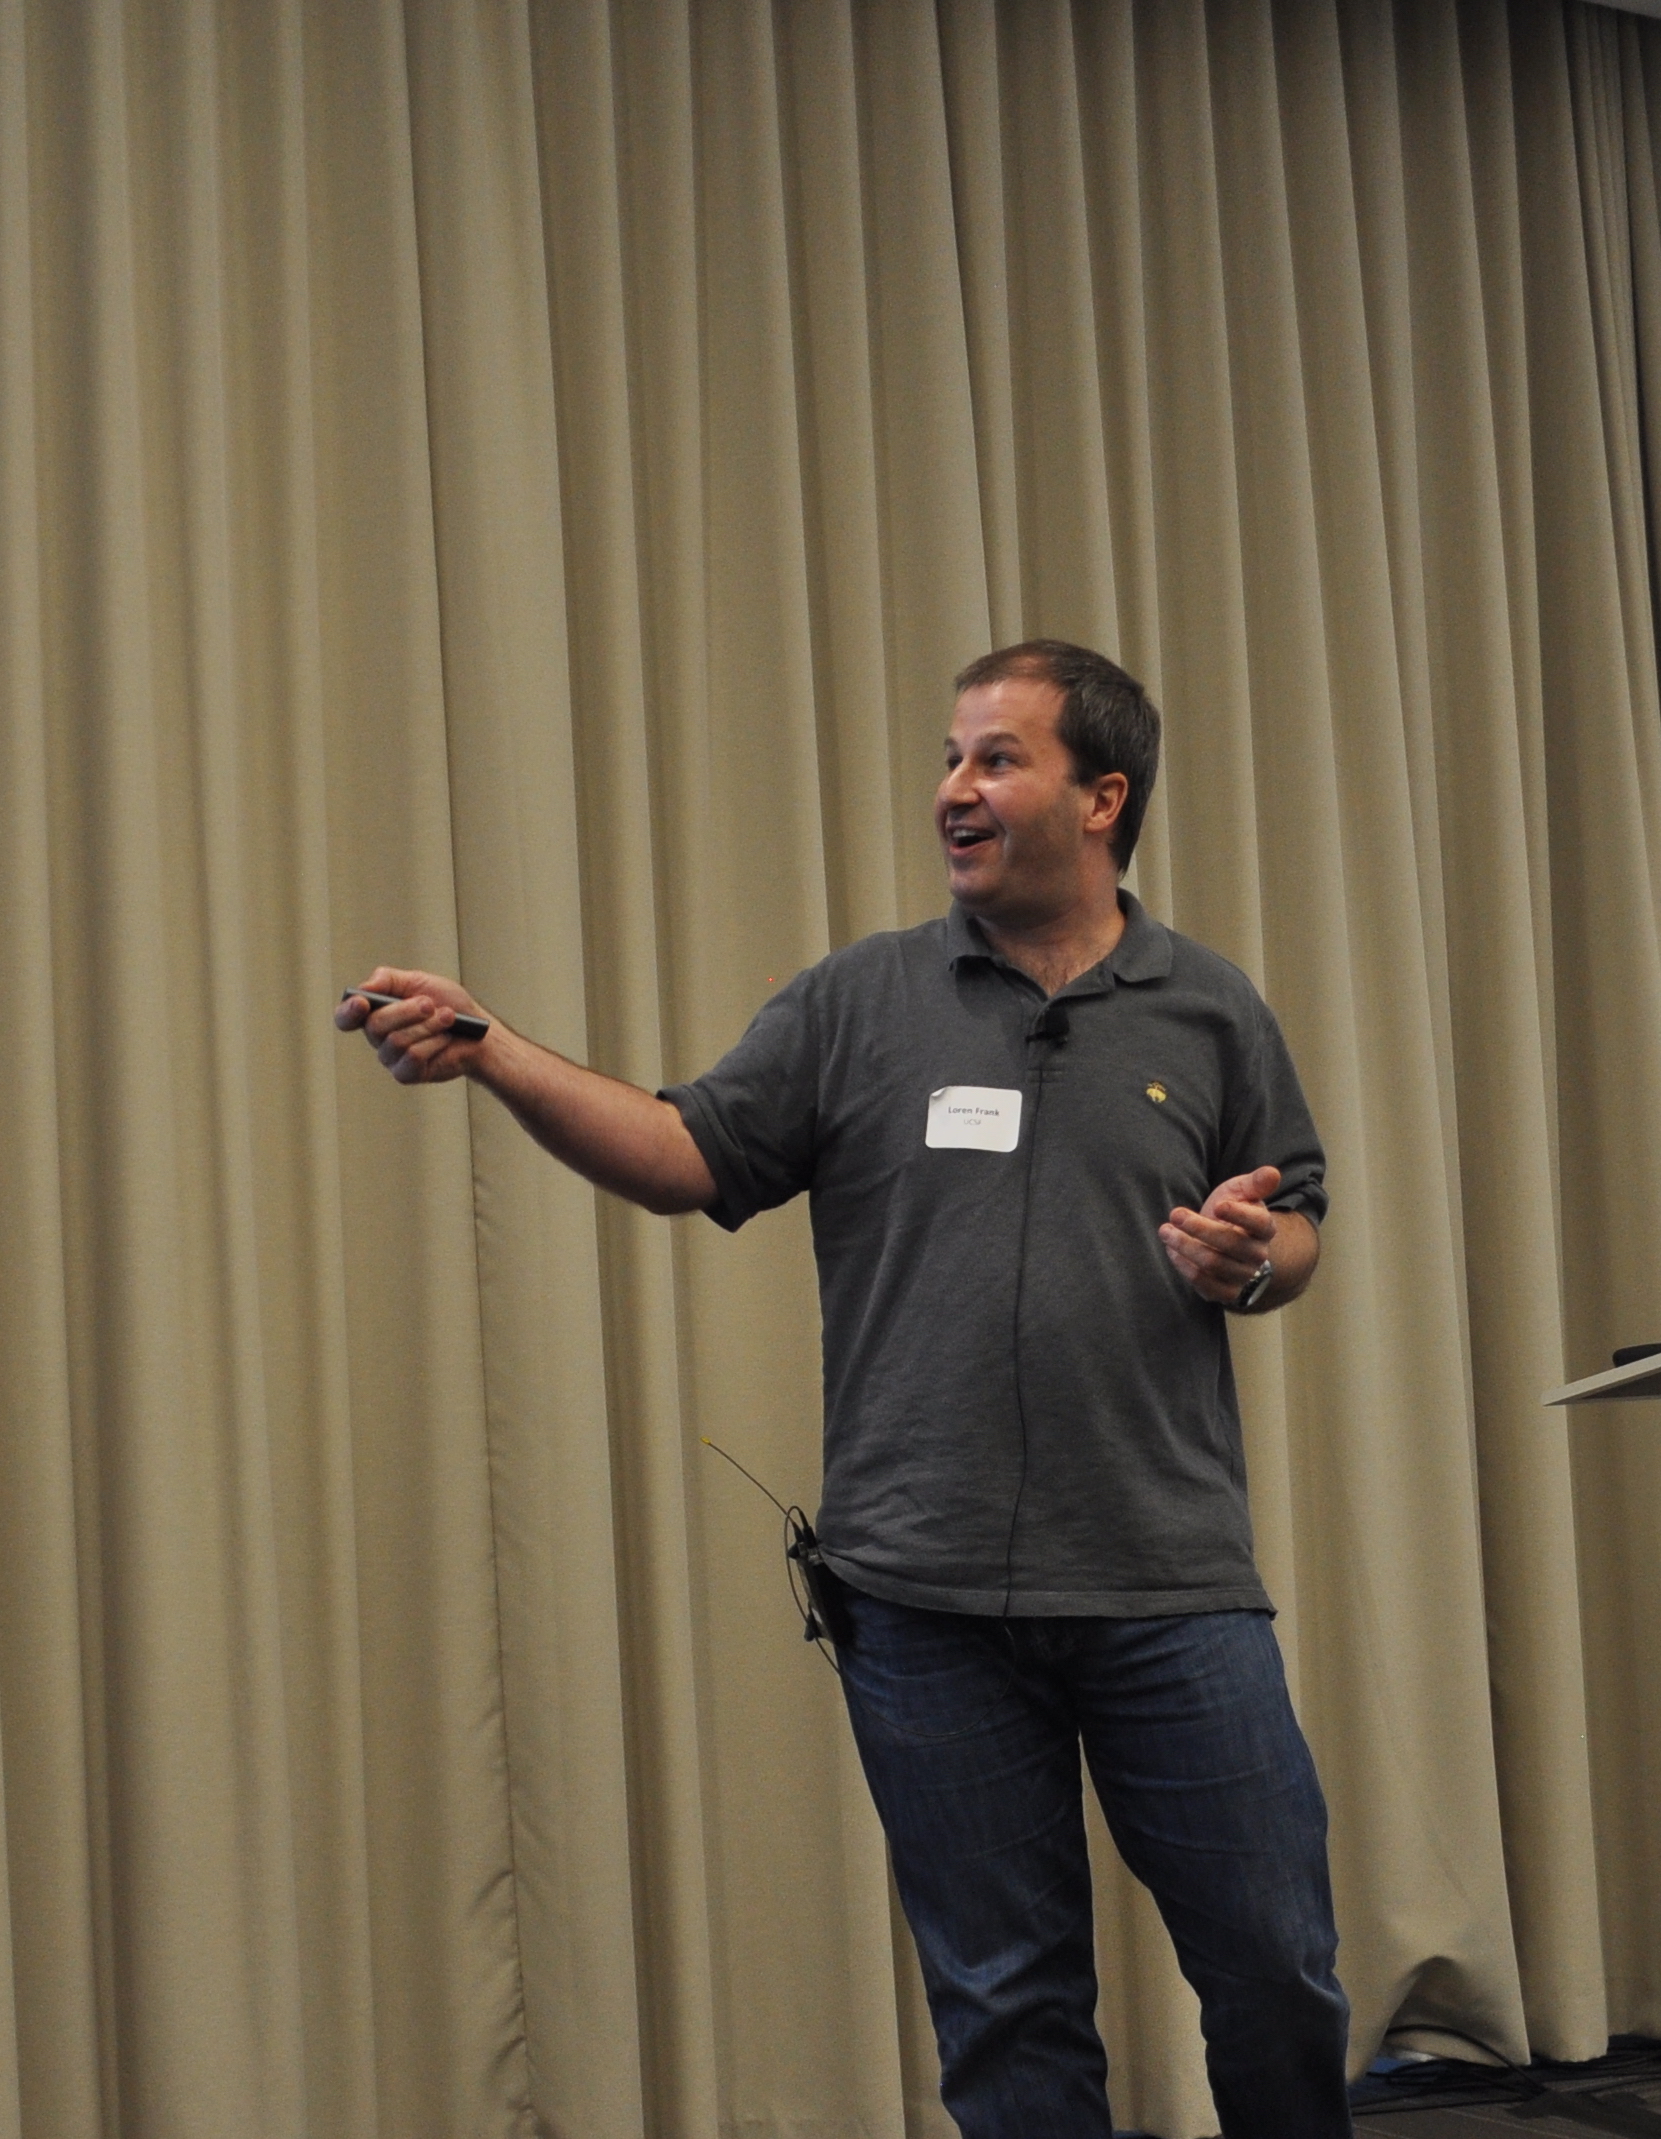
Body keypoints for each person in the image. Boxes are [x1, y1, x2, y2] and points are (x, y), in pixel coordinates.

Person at [339, 640, 1349, 2138]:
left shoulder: (1208, 1007)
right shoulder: (859, 1004)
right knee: (1007, 2005)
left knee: (1276, 1966)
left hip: (1165, 1584)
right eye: (950, 756)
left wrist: (1255, 1255)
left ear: (1102, 797)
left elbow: (1300, 1222)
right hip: (922, 1602)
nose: (954, 789)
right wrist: (495, 1055)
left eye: (997, 759)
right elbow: (687, 1155)